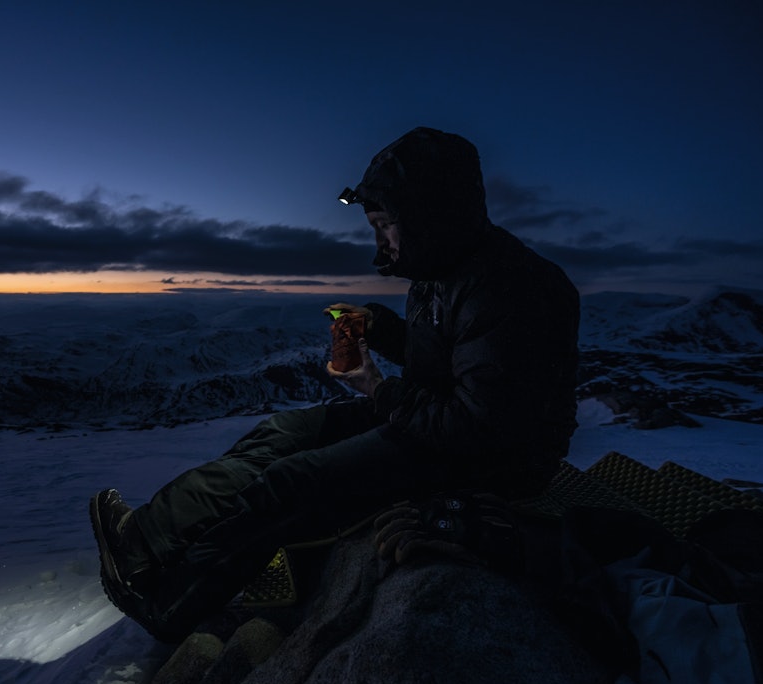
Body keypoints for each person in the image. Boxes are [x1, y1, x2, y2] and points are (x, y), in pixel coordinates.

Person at [89, 126, 580, 643]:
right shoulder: (441, 272)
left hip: (492, 461)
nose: (380, 242)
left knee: (293, 483)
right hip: (433, 418)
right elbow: (441, 362)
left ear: (430, 215)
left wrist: (377, 389)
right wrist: (379, 328)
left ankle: (168, 604)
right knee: (284, 433)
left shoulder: (511, 287)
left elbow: (479, 428)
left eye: (386, 225)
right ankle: (143, 542)